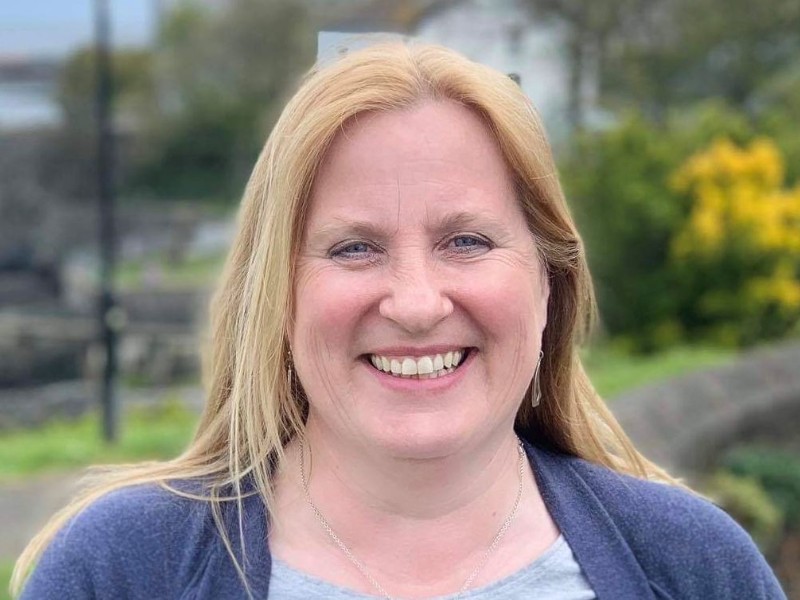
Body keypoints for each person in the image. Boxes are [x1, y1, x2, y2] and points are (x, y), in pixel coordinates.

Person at [13, 42, 785, 600]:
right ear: (275, 293)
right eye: (354, 248)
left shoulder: (692, 568)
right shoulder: (121, 572)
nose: (416, 304)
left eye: (467, 241)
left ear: (550, 280)